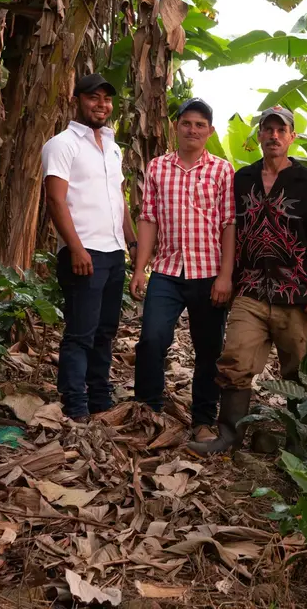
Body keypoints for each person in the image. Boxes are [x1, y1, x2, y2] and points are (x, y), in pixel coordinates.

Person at [188, 106, 307, 455]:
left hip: (295, 294)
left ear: (292, 137)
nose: (274, 136)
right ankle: (229, 434)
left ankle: (296, 441)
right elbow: (230, 228)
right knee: (234, 361)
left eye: (281, 130)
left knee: (297, 373)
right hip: (250, 289)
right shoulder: (242, 178)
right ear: (259, 136)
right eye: (267, 129)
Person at [130, 98, 235, 443]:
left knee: (208, 350)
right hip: (167, 271)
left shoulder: (222, 170)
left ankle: (203, 420)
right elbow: (148, 220)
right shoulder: (158, 167)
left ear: (210, 131)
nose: (193, 130)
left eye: (200, 125)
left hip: (207, 273)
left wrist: (225, 275)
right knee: (151, 340)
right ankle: (148, 411)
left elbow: (228, 226)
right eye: (187, 123)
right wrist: (140, 269)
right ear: (176, 127)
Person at [41, 73, 137, 421]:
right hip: (83, 252)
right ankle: (75, 406)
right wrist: (76, 248)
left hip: (113, 253)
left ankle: (99, 399)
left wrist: (132, 241)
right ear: (77, 100)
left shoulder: (112, 147)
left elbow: (118, 200)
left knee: (105, 331)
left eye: (107, 99)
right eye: (93, 98)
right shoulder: (62, 144)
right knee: (81, 332)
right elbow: (55, 200)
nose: (101, 105)